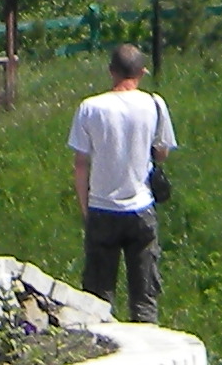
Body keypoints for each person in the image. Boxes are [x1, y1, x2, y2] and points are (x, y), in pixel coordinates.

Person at [68, 43, 178, 324]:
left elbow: (81, 165)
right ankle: (148, 354)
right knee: (144, 298)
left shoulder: (90, 108)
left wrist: (86, 210)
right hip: (141, 208)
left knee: (97, 301)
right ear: (142, 71)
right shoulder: (155, 104)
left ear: (111, 71)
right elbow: (162, 151)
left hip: (102, 208)